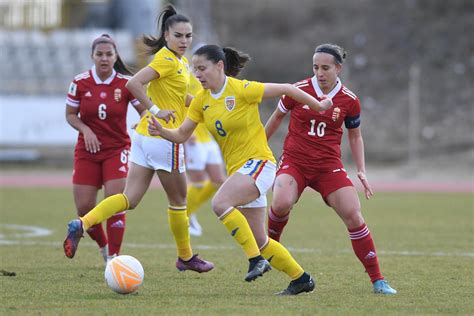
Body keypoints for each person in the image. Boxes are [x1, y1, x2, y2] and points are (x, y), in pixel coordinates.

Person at [147, 44, 333, 295]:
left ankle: (255, 260)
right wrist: (161, 131)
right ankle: (301, 279)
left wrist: (319, 106)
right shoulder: (201, 100)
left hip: (259, 163)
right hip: (241, 172)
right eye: (194, 69)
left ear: (219, 66)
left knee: (220, 202)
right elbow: (181, 134)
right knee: (262, 242)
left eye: (202, 68)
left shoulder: (241, 89)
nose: (197, 74)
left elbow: (289, 89)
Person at [63, 5, 214, 273]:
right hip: (163, 138)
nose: (184, 41)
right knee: (179, 201)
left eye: (188, 36)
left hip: (145, 137)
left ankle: (83, 223)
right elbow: (133, 84)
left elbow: (178, 98)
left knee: (129, 199)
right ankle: (186, 257)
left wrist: (204, 107)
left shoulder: (178, 62)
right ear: (166, 36)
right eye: (178, 35)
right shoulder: (166, 60)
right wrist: (156, 111)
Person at [265, 43, 397, 295]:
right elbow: (277, 118)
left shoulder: (349, 100)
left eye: (326, 68)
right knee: (280, 203)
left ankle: (378, 280)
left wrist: (361, 170)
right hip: (295, 162)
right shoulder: (298, 91)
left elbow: (355, 137)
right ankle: (269, 251)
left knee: (354, 214)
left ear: (339, 68)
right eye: (315, 67)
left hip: (328, 167)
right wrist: (258, 147)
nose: (320, 73)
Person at [65, 34, 146, 263]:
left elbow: (144, 110)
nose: (104, 58)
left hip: (116, 150)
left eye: (109, 54)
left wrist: (143, 120)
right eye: (99, 54)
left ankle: (114, 257)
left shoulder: (125, 83)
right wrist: (86, 130)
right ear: (92, 56)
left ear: (116, 56)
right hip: (87, 151)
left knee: (115, 200)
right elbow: (70, 115)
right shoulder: (80, 82)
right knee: (84, 209)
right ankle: (103, 246)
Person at [185, 74, 226, 236]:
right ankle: (185, 216)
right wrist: (186, 131)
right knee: (198, 182)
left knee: (218, 181)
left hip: (209, 138)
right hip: (194, 138)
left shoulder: (216, 80)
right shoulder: (186, 78)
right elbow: (179, 103)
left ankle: (189, 211)